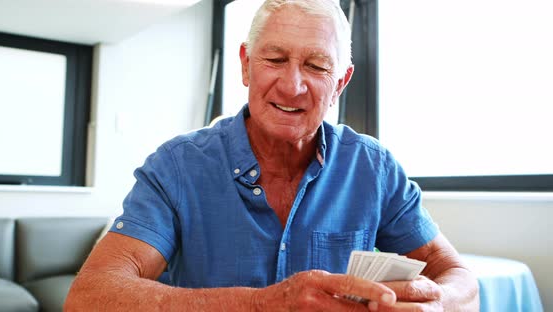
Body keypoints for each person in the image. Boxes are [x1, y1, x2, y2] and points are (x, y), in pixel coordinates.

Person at [65, 0, 479, 310]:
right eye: (275, 59)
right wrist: (265, 303)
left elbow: (458, 275)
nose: (292, 85)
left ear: (340, 83)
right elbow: (89, 297)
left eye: (316, 66)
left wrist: (436, 301)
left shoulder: (373, 168)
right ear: (246, 65)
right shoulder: (177, 167)